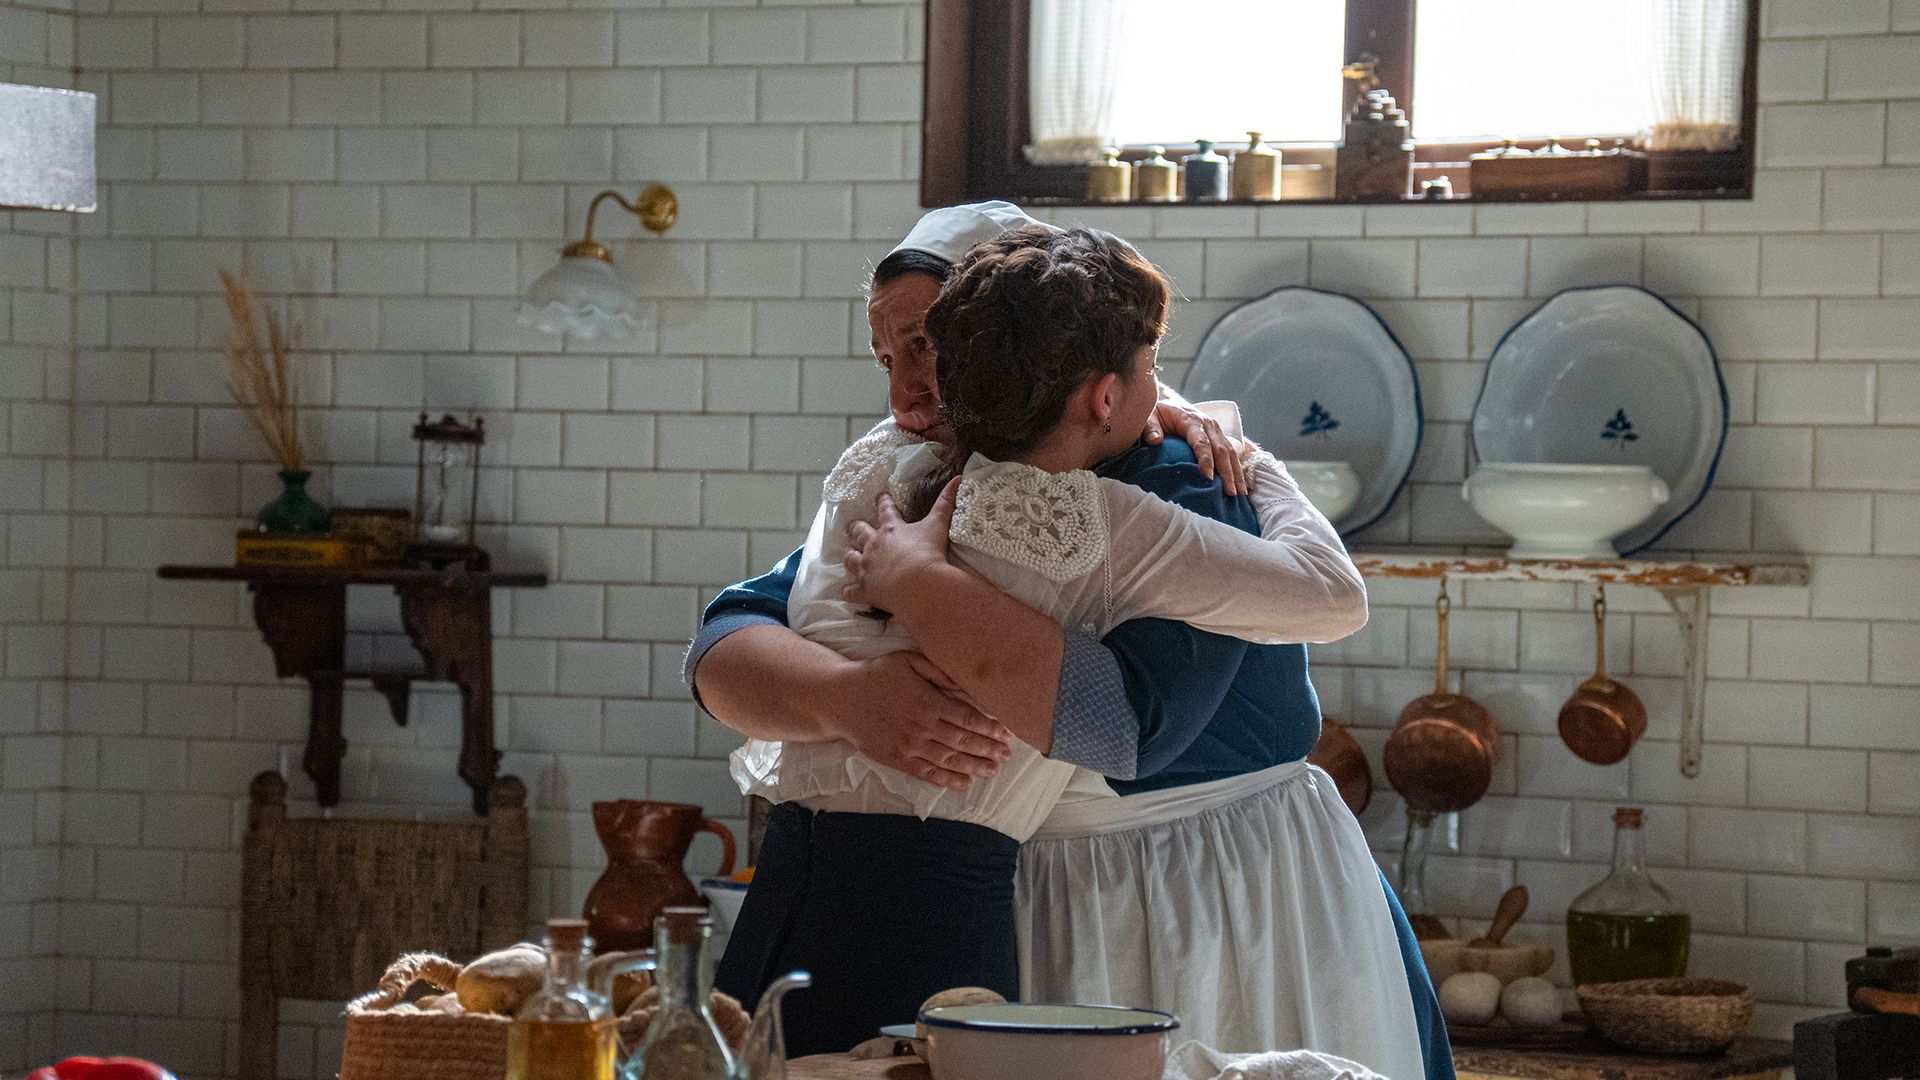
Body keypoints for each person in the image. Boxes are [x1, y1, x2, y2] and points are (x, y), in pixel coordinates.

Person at [685, 202, 1451, 1079]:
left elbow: (1135, 726)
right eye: (888, 358)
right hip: (1019, 898)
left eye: (931, 347)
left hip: (1212, 896)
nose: (906, 396)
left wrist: (922, 591)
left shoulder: (1180, 475)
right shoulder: (915, 475)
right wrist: (845, 699)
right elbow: (723, 647)